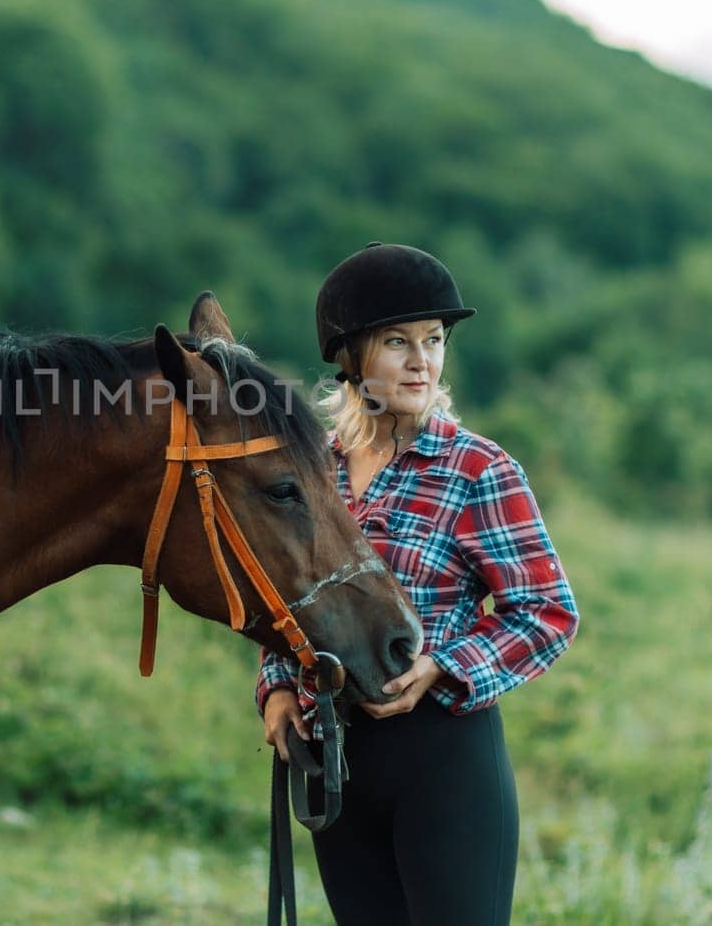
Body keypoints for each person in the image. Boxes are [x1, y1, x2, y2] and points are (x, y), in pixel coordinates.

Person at [258, 241, 580, 926]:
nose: (422, 361)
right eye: (397, 342)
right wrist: (277, 686)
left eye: (434, 341)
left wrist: (442, 666)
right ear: (350, 360)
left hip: (445, 758)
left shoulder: (479, 471)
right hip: (334, 754)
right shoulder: (316, 471)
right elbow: (288, 592)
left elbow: (546, 612)